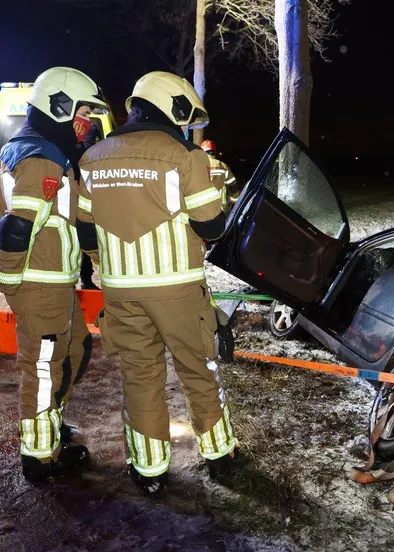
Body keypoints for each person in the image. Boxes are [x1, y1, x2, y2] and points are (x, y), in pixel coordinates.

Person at [79, 71, 238, 496]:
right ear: (176, 108)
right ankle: (220, 456)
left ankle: (149, 471)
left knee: (140, 378)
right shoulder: (186, 157)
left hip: (121, 292)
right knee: (199, 370)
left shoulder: (92, 158)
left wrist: (103, 268)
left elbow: (85, 230)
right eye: (187, 118)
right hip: (178, 290)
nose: (187, 128)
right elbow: (213, 227)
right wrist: (217, 189)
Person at [0, 67, 105, 481]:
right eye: (81, 112)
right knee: (44, 364)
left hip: (57, 283)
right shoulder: (40, 156)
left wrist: (100, 266)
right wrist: (10, 281)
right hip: (38, 283)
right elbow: (17, 226)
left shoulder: (55, 155)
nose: (86, 122)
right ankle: (39, 456)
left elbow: (80, 221)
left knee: (76, 349)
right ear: (57, 106)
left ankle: (49, 424)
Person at [77, 117, 104, 290]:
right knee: (85, 245)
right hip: (84, 204)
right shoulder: (92, 155)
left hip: (75, 203)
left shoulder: (74, 148)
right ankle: (86, 280)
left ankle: (83, 280)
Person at [200, 140, 238, 214]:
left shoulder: (198, 166)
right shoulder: (223, 166)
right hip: (220, 209)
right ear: (214, 152)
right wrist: (234, 202)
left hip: (202, 208)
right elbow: (233, 186)